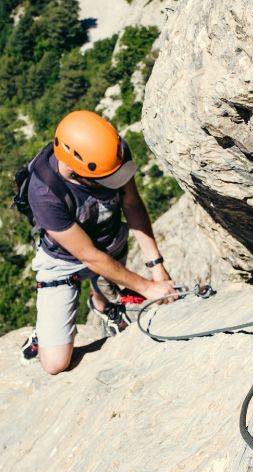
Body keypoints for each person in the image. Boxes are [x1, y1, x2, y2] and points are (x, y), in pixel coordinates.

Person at [21, 110, 177, 375]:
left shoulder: (110, 156)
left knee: (106, 291)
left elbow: (132, 203)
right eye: (102, 180)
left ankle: (102, 305)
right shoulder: (45, 192)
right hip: (63, 260)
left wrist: (156, 265)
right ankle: (46, 332)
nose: (110, 183)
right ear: (72, 166)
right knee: (55, 364)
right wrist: (147, 288)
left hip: (109, 239)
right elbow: (88, 256)